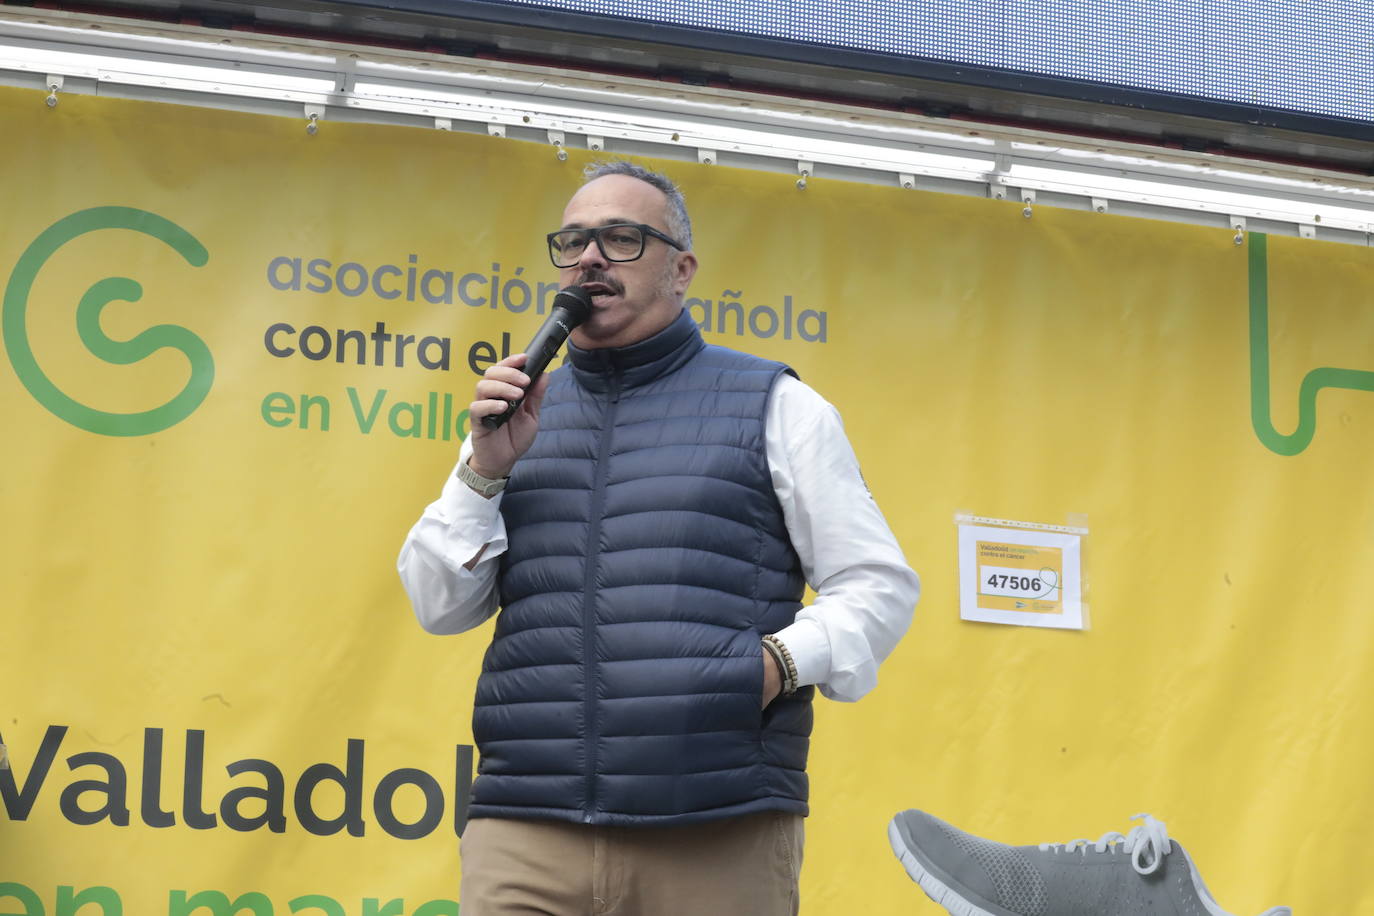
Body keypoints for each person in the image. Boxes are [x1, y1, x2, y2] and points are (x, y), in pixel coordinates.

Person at [397, 160, 919, 915]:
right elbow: (436, 604)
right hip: (525, 825)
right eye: (574, 240)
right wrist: (483, 470)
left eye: (621, 237)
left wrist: (774, 665)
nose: (590, 258)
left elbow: (878, 585)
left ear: (682, 270)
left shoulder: (777, 404)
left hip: (714, 822)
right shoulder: (514, 416)